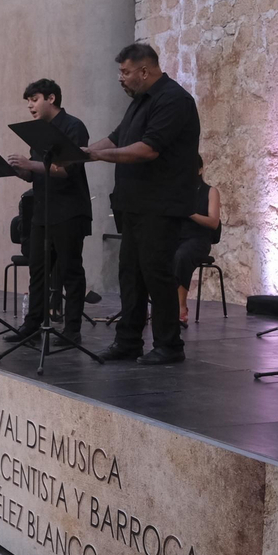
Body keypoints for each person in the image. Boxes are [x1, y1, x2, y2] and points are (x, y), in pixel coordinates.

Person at [82, 43, 202, 365]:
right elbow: (117, 137)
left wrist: (96, 155)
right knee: (130, 274)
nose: (120, 79)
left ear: (144, 71)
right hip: (134, 205)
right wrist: (82, 153)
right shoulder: (139, 102)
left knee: (156, 274)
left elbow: (148, 149)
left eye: (125, 72)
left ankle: (169, 345)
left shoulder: (173, 100)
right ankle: (129, 341)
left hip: (159, 205)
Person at [3, 78, 92, 343]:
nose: (30, 106)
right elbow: (36, 176)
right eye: (28, 101)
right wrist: (22, 171)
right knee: (38, 271)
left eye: (34, 99)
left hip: (69, 210)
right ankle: (32, 325)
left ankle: (72, 330)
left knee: (70, 270)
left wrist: (31, 164)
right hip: (42, 211)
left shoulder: (74, 127)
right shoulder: (38, 131)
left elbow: (66, 170)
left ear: (51, 98)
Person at [173, 159, 222, 324]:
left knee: (181, 256)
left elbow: (214, 222)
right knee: (153, 252)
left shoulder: (210, 191)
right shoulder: (177, 191)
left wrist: (190, 214)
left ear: (200, 170)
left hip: (199, 239)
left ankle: (181, 306)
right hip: (177, 237)